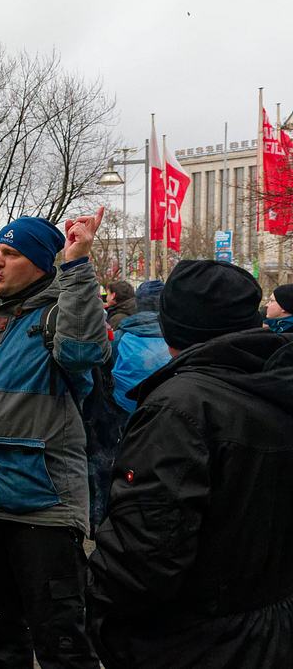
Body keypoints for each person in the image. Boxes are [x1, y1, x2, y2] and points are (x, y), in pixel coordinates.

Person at [88, 260, 293, 668]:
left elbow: (145, 553)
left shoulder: (180, 407)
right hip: (271, 629)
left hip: (194, 640)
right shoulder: (274, 383)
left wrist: (95, 607)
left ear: (173, 326)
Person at [0, 210, 109, 669]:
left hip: (42, 509)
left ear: (39, 262)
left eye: (11, 253)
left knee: (62, 646)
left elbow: (84, 349)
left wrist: (77, 264)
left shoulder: (59, 315)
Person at [109, 279, 169, 414]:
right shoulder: (176, 338)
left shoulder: (119, 337)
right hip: (166, 410)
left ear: (137, 303)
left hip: (124, 409)